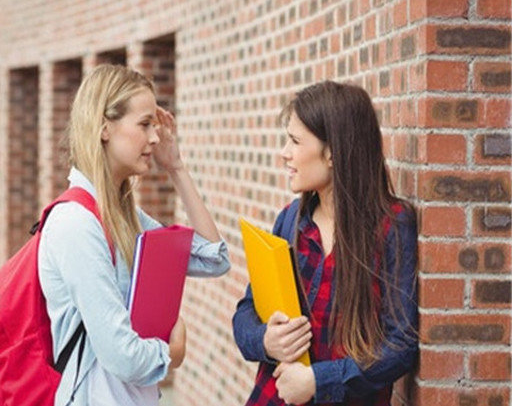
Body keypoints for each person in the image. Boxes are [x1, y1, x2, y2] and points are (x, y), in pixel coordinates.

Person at [39, 64, 230, 405]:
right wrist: (173, 353)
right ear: (104, 128)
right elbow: (120, 355)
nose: (156, 138)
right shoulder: (76, 224)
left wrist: (176, 168)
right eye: (144, 124)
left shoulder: (124, 214)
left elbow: (214, 258)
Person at [232, 81, 418, 406]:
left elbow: (400, 345)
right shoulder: (290, 220)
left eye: (294, 141)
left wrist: (319, 381)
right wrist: (265, 340)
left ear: (332, 152)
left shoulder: (391, 225)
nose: (284, 153)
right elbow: (248, 310)